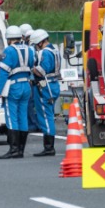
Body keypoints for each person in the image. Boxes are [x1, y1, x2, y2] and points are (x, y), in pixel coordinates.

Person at [0, 25, 36, 159]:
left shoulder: (9, 50)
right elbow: (32, 65)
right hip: (26, 85)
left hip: (13, 86)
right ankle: (21, 150)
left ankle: (13, 149)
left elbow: (3, 72)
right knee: (23, 116)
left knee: (11, 117)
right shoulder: (29, 50)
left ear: (8, 39)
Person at [30, 29, 61, 157]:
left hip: (45, 86)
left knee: (45, 117)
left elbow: (42, 71)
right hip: (53, 85)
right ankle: (48, 146)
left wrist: (31, 68)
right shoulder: (55, 50)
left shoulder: (45, 52)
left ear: (40, 42)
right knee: (49, 115)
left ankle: (49, 147)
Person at [20, 23, 41, 134]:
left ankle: (33, 124)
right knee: (35, 103)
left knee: (30, 103)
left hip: (31, 79)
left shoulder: (29, 48)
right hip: (37, 79)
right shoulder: (37, 46)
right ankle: (37, 124)